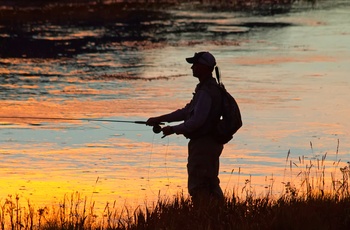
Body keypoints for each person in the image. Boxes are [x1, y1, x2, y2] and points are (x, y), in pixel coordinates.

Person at [146, 51, 225, 207]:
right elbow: (186, 112)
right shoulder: (207, 88)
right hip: (209, 142)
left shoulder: (206, 92)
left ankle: (205, 215)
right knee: (210, 181)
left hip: (204, 143)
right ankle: (219, 214)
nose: (192, 68)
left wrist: (173, 129)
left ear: (204, 67)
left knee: (199, 183)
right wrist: (159, 119)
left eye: (195, 65)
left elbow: (196, 121)